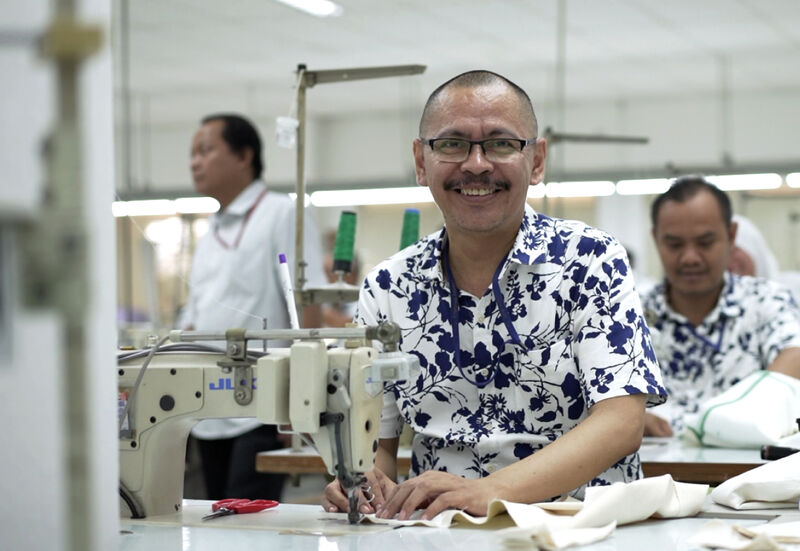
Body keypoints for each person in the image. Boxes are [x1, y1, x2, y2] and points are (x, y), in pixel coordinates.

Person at [322, 70, 666, 521]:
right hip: (441, 531)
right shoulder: (389, 288)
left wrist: (491, 492)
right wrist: (363, 481)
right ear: (421, 161)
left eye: (501, 143)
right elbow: (377, 447)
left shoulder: (590, 261)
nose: (477, 164)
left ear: (537, 160)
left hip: (576, 530)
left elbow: (621, 423)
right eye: (452, 144)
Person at [183, 113, 326, 499]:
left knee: (247, 527)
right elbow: (195, 317)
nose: (195, 161)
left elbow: (307, 305)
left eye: (205, 150)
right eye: (193, 153)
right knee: (212, 518)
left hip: (262, 407)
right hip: (207, 408)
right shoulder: (211, 231)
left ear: (244, 155)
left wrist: (301, 401)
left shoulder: (282, 213)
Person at [641, 176, 800, 437]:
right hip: (653, 473)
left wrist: (730, 419)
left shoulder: (764, 302)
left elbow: (794, 357)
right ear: (656, 238)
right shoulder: (631, 313)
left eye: (705, 243)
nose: (690, 258)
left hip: (742, 472)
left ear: (731, 235)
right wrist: (626, 418)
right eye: (674, 244)